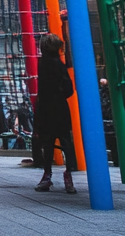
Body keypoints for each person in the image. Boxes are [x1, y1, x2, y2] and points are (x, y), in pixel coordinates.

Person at [33, 33, 75, 194]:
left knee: (47, 143)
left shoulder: (42, 64)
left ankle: (47, 175)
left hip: (45, 108)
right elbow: (68, 89)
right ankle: (68, 175)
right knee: (66, 142)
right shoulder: (59, 65)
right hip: (59, 107)